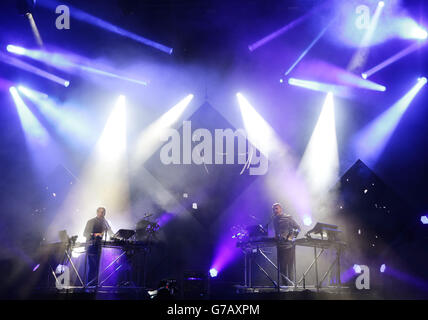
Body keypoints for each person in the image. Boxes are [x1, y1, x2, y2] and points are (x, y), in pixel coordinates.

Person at [83, 207, 114, 286]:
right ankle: (89, 285)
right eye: (101, 212)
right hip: (91, 246)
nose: (102, 214)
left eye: (103, 212)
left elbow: (110, 232)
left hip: (98, 247)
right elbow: (85, 233)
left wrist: (116, 237)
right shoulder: (91, 221)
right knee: (92, 267)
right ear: (97, 212)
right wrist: (95, 234)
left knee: (98, 267)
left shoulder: (105, 222)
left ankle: (95, 285)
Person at [271, 203, 300, 286]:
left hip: (289, 246)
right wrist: (276, 237)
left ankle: (291, 287)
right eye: (273, 209)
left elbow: (298, 228)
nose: (274, 211)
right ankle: (285, 287)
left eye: (276, 208)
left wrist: (291, 237)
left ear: (280, 209)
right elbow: (277, 232)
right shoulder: (274, 220)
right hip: (280, 246)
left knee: (290, 267)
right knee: (282, 268)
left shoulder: (288, 217)